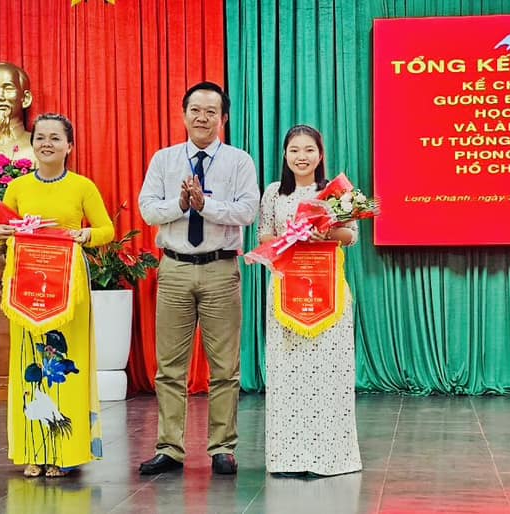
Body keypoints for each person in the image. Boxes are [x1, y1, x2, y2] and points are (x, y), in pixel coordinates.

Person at [138, 82, 259, 475]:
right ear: (184, 114)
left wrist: (206, 206)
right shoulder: (164, 160)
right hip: (174, 268)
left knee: (224, 367)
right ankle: (169, 448)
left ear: (223, 118)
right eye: (195, 110)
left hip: (221, 269)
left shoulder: (239, 161)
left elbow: (247, 212)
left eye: (211, 111)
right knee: (170, 367)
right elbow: (147, 210)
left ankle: (222, 447)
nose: (202, 118)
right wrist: (180, 204)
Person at [0, 113, 115, 477]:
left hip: (68, 287)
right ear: (32, 144)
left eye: (55, 138)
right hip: (26, 287)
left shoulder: (82, 187)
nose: (47, 143)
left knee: (63, 365)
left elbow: (106, 229)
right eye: (41, 137)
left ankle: (63, 452)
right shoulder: (17, 187)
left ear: (69, 146)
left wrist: (86, 235)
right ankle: (33, 450)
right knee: (29, 366)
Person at [257, 125, 362, 476]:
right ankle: (288, 458)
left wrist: (325, 232)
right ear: (285, 155)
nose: (301, 157)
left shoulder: (337, 193)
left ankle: (331, 458)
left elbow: (352, 236)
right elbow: (264, 235)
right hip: (286, 292)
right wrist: (292, 236)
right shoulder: (274, 193)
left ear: (320, 154)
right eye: (294, 150)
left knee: (328, 376)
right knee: (288, 376)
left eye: (309, 150)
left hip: (328, 293)